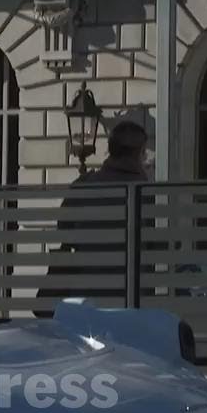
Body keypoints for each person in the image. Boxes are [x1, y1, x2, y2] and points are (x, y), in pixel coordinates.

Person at [37, 120, 150, 317]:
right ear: (138, 154)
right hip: (130, 299)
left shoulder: (84, 185)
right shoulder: (146, 193)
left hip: (84, 297)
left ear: (110, 150)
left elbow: (64, 229)